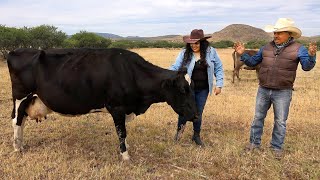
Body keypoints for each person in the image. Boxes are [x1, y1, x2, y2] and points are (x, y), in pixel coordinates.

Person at [234, 18, 317, 158]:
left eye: (279, 33)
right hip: (263, 89)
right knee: (258, 118)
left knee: (280, 121)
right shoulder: (266, 47)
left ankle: (276, 148)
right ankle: (254, 144)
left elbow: (307, 67)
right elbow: (253, 62)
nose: (276, 35)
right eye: (275, 33)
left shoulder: (299, 48)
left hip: (283, 91)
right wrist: (243, 54)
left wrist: (312, 56)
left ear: (289, 34)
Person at [169, 29, 224, 146]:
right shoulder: (185, 53)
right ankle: (179, 133)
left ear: (202, 42)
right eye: (192, 43)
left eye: (197, 43)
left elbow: (219, 68)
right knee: (184, 110)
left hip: (203, 89)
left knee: (198, 112)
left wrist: (219, 84)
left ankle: (196, 135)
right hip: (187, 89)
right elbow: (175, 66)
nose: (194, 45)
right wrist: (167, 76)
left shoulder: (211, 52)